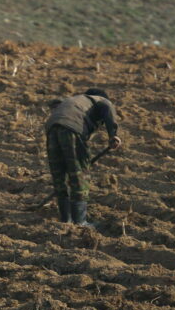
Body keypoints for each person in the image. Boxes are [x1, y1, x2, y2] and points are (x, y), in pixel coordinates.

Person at [44, 88, 121, 226]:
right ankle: (80, 221)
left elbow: (54, 105)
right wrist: (113, 134)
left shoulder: (74, 101)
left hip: (51, 128)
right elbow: (107, 107)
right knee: (79, 174)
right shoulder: (101, 100)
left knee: (59, 174)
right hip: (72, 128)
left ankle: (65, 219)